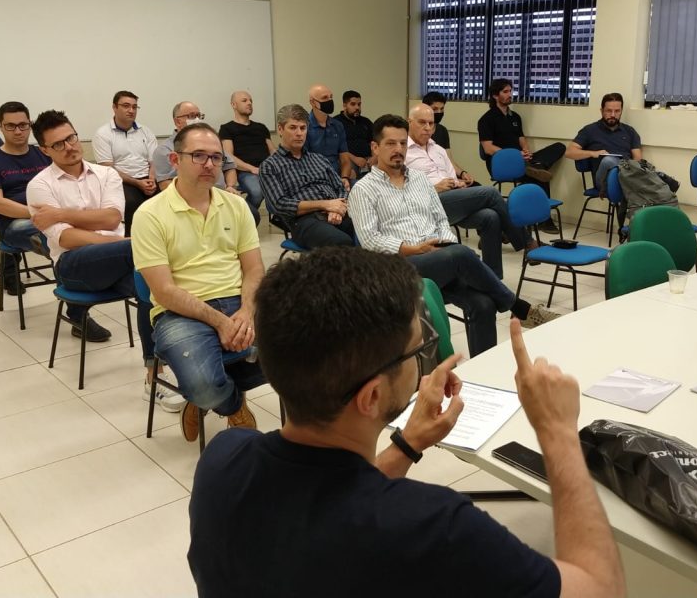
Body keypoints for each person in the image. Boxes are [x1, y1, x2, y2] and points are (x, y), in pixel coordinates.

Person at [188, 247, 625, 598]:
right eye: (418, 350)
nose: (424, 360)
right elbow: (600, 589)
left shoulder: (222, 461)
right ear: (372, 396)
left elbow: (325, 508)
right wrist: (557, 431)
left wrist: (406, 444)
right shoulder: (431, 527)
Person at [350, 114, 557, 357]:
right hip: (398, 268)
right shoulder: (363, 189)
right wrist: (414, 249)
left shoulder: (419, 180)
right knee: (460, 254)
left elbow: (440, 219)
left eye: (403, 143)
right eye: (390, 143)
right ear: (375, 147)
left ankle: (483, 370)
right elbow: (370, 240)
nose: (398, 149)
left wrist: (443, 244)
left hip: (437, 261)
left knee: (483, 304)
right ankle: (517, 307)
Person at [27, 110, 182, 411]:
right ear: (45, 150)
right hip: (73, 266)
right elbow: (66, 238)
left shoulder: (106, 174)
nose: (69, 147)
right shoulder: (40, 185)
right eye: (58, 144)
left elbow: (111, 217)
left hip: (122, 259)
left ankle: (154, 377)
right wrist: (122, 242)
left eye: (71, 138)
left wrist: (60, 214)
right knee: (142, 253)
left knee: (150, 287)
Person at [133, 123, 265, 442]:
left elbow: (254, 269)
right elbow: (164, 291)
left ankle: (209, 390)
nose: (209, 164)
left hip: (237, 301)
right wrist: (221, 323)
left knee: (302, 353)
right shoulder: (149, 214)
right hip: (179, 312)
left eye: (216, 157)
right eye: (198, 156)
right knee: (204, 387)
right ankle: (227, 403)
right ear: (175, 160)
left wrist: (247, 312)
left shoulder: (236, 206)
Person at [406, 104, 533, 279]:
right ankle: (527, 242)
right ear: (410, 122)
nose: (428, 128)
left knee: (490, 217)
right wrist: (433, 188)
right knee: (490, 193)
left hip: (451, 200)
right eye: (422, 122)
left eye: (431, 123)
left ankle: (491, 278)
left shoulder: (438, 150)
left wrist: (459, 183)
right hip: (427, 203)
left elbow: (451, 175)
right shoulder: (402, 151)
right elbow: (399, 189)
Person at [0, 101, 51, 296]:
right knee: (58, 235)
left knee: (67, 232)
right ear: (0, 126)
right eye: (10, 126)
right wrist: (42, 215)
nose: (18, 131)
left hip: (51, 216)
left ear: (30, 125)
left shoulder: (44, 154)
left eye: (23, 125)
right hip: (14, 225)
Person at [258, 104, 356, 249]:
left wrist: (336, 208)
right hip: (304, 221)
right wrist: (325, 204)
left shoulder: (319, 159)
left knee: (369, 233)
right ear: (280, 129)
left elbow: (340, 187)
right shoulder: (270, 166)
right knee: (341, 242)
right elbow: (280, 205)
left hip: (336, 213)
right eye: (293, 128)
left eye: (303, 128)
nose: (299, 133)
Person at [477, 78, 566, 232]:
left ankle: (535, 165)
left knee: (559, 147)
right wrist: (515, 155)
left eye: (510, 91)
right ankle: (544, 220)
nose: (510, 94)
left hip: (521, 159)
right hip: (501, 164)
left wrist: (526, 151)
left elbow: (521, 139)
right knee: (540, 176)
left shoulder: (515, 117)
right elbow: (488, 148)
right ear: (495, 95)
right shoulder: (486, 119)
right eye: (505, 91)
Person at [92, 90, 158, 236]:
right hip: (121, 181)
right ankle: (131, 241)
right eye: (126, 106)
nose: (131, 110)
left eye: (134, 107)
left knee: (167, 197)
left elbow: (154, 161)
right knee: (131, 202)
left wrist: (152, 179)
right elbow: (107, 168)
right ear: (114, 107)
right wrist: (137, 183)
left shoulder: (145, 131)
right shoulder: (103, 134)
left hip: (148, 177)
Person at [219, 90, 276, 223]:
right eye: (244, 101)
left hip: (266, 170)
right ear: (234, 105)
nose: (249, 103)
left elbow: (272, 150)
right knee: (257, 191)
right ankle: (243, 220)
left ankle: (282, 219)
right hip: (245, 172)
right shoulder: (227, 128)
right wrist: (252, 169)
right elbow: (228, 156)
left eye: (251, 101)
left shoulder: (261, 127)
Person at [566, 92, 643, 189]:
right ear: (602, 111)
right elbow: (569, 152)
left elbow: (637, 160)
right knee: (608, 160)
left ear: (621, 111)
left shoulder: (629, 131)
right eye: (609, 111)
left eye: (617, 111)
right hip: (603, 182)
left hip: (626, 177)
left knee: (656, 177)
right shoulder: (590, 130)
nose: (613, 115)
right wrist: (593, 153)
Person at [304, 83, 351, 184]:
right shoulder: (304, 127)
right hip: (315, 179)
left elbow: (345, 159)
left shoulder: (338, 125)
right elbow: (303, 162)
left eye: (331, 97)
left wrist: (345, 178)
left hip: (338, 177)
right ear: (313, 102)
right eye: (325, 98)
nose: (329, 101)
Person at [332, 89, 374, 178]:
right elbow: (336, 148)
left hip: (368, 161)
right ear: (344, 106)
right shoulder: (335, 123)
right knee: (349, 172)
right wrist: (355, 159)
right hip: (349, 160)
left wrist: (374, 157)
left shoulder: (366, 122)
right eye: (353, 104)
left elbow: (374, 141)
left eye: (359, 104)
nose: (357, 108)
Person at [421, 91, 462, 176]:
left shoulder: (442, 131)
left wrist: (462, 173)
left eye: (442, 109)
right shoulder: (415, 131)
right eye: (435, 109)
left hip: (445, 175)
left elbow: (449, 161)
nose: (439, 112)